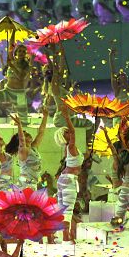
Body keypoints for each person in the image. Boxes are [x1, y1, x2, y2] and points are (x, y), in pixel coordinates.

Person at [55, 103, 81, 241]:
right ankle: (66, 237)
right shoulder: (70, 146)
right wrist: (66, 116)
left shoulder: (68, 148)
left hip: (65, 180)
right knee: (67, 212)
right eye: (66, 132)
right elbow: (74, 131)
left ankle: (66, 236)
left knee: (63, 211)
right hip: (69, 180)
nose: (69, 132)